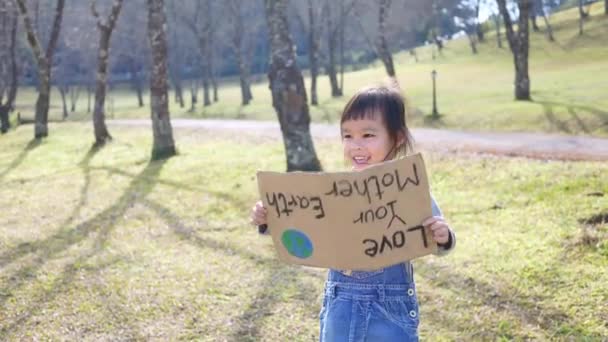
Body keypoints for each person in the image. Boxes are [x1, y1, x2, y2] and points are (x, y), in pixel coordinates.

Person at [250, 85, 456, 341]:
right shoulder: (335, 191)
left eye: (368, 135)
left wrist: (443, 236)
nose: (355, 145)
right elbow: (304, 222)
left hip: (389, 311)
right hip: (341, 306)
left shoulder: (407, 188)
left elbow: (439, 241)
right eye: (347, 136)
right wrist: (268, 220)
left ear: (398, 138)